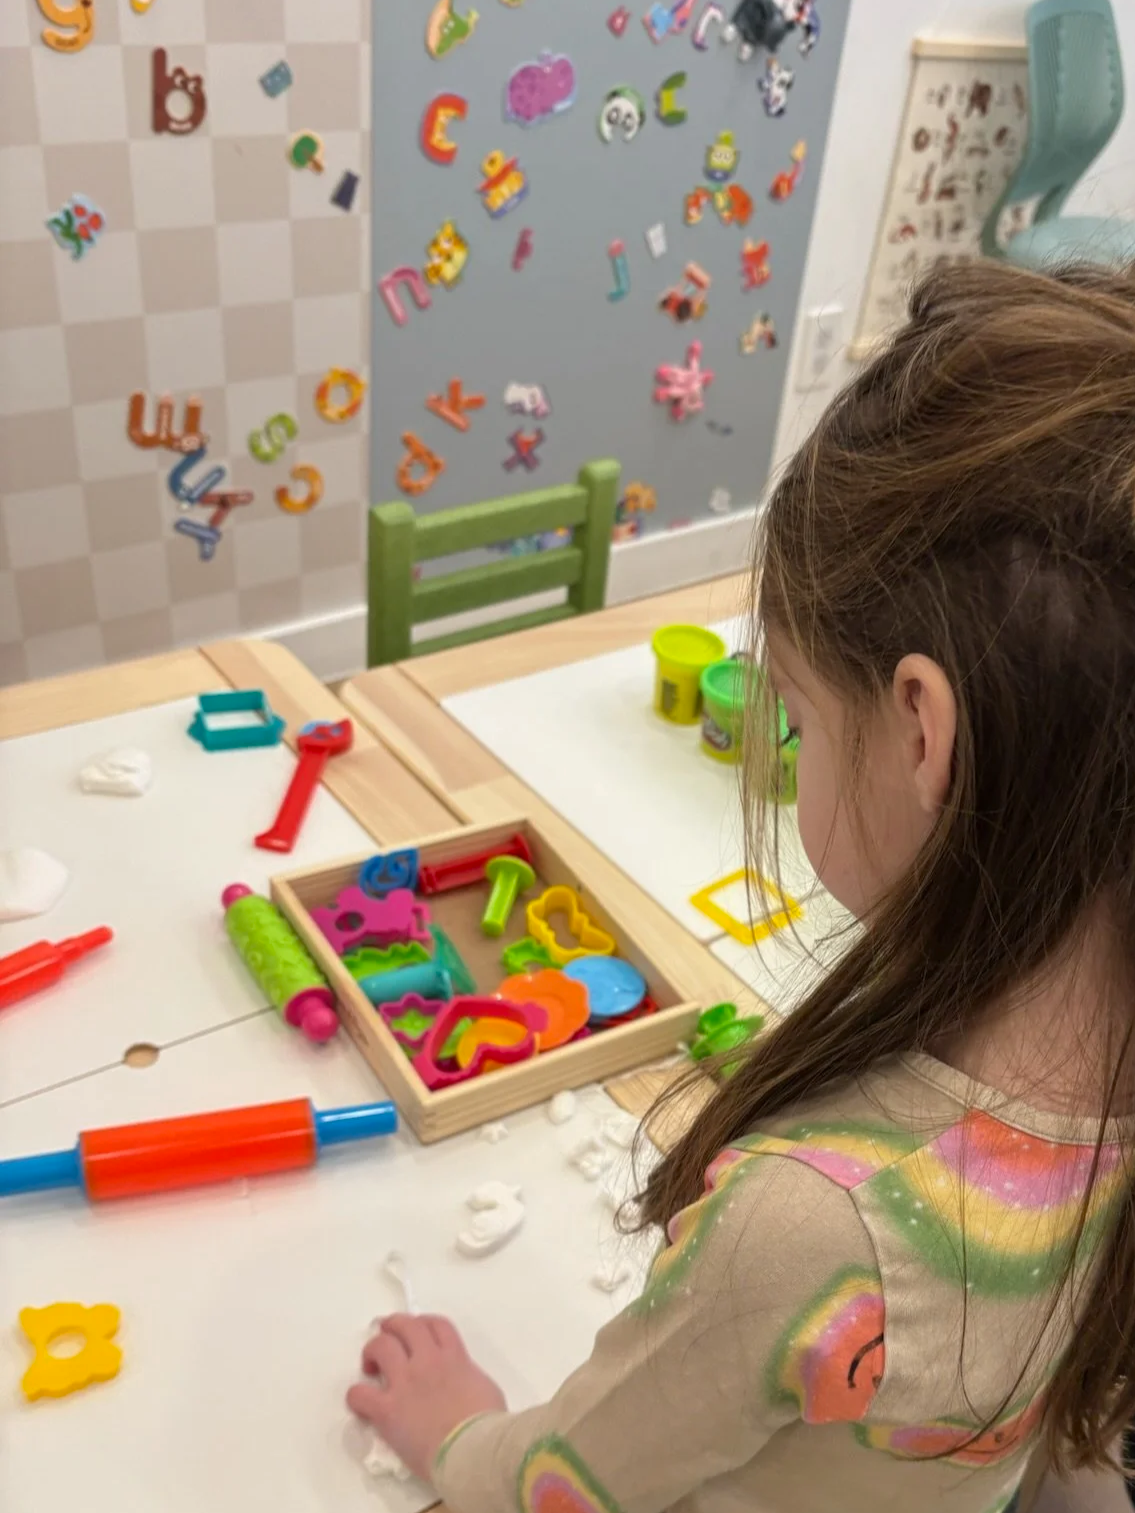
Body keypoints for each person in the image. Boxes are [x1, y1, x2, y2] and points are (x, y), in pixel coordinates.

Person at [346, 260, 1135, 1512]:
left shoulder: (811, 1230)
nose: (797, 744)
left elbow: (567, 1483)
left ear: (923, 734)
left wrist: (459, 1438)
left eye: (804, 718)